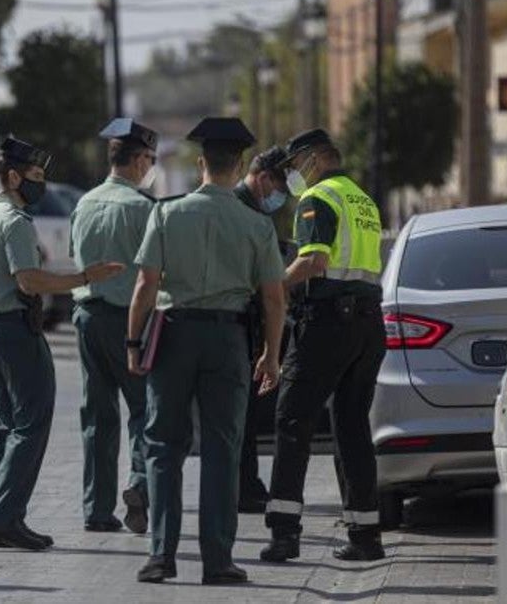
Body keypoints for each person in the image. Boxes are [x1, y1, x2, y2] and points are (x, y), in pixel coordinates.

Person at [127, 118, 286, 585]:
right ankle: (217, 561)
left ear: (200, 164)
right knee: (222, 448)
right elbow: (274, 298)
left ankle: (161, 557)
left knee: (163, 447)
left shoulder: (165, 214)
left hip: (173, 335)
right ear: (238, 166)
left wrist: (133, 343)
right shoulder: (256, 224)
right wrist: (271, 355)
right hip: (228, 339)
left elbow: (144, 286)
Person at [0, 136, 124, 552]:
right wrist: (85, 277)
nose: (41, 184)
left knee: (8, 428)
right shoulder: (14, 223)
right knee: (31, 425)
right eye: (35, 176)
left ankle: (5, 512)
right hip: (15, 330)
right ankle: (1, 518)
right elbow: (29, 280)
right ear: (13, 177)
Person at [261, 128, 387, 563]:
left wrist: (273, 285)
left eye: (295, 166)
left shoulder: (319, 198)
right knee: (352, 425)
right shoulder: (362, 199)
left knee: (292, 418)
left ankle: (284, 533)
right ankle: (366, 535)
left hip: (329, 323)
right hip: (369, 325)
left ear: (314, 160)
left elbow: (315, 259)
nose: (294, 175)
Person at [70, 117, 159, 535]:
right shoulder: (144, 208)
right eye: (150, 159)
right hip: (131, 322)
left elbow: (76, 256)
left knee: (97, 415)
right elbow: (157, 271)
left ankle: (97, 509)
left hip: (88, 317)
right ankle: (140, 485)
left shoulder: (84, 203)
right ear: (139, 159)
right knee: (144, 410)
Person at [232, 146, 296, 514]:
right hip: (240, 319)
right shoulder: (243, 210)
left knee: (247, 412)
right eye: (278, 187)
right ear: (263, 177)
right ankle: (243, 486)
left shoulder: (251, 207)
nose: (278, 197)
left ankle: (247, 483)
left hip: (247, 320)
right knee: (240, 412)